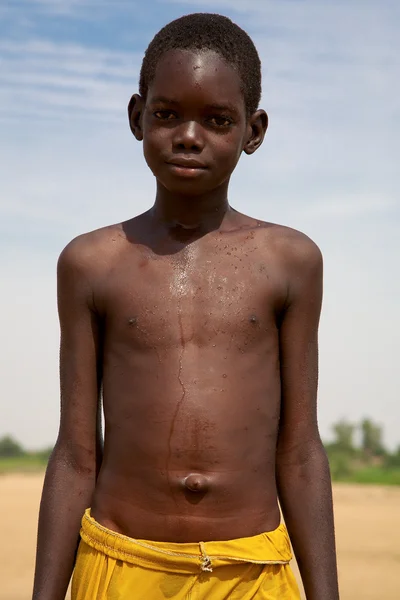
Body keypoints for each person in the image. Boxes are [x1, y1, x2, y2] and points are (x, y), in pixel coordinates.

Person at [32, 12, 339, 600]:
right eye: (167, 114)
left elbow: (299, 449)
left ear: (253, 131)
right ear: (136, 117)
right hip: (120, 562)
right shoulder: (92, 263)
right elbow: (76, 451)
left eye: (218, 120)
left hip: (250, 570)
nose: (190, 136)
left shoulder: (290, 261)